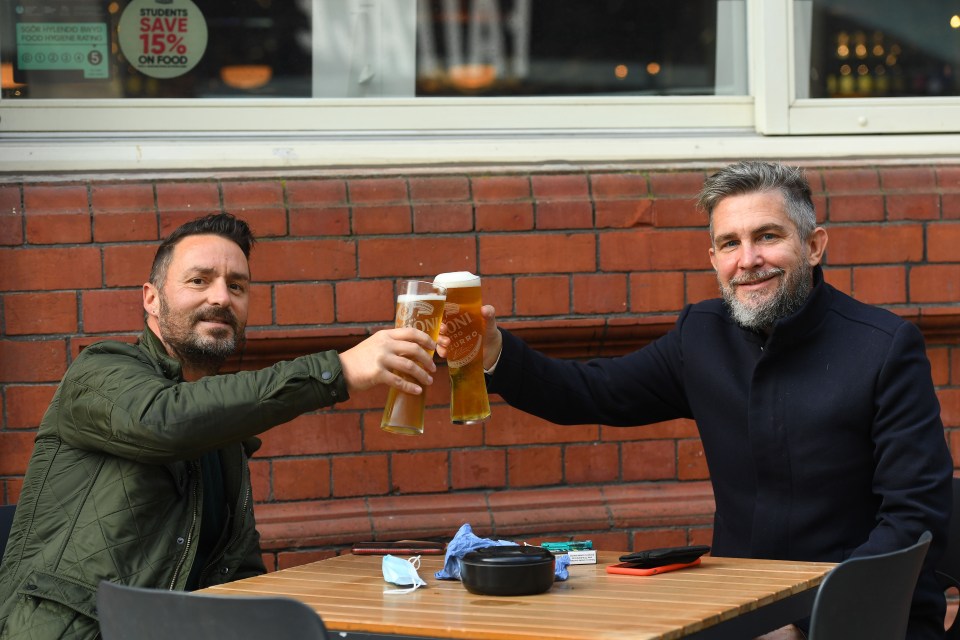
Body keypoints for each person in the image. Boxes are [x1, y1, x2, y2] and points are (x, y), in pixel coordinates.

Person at [439, 161, 953, 640]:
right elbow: (590, 393)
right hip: (737, 613)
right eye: (729, 243)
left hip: (869, 621)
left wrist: (806, 625)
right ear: (713, 259)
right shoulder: (701, 336)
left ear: (814, 245)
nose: (748, 260)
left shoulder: (884, 347)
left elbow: (914, 519)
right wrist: (495, 350)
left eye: (767, 237)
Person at [0, 213, 438, 640]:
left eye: (237, 286)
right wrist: (337, 370)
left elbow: (240, 573)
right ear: (152, 298)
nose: (222, 298)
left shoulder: (222, 427)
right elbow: (164, 420)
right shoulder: (99, 372)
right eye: (199, 280)